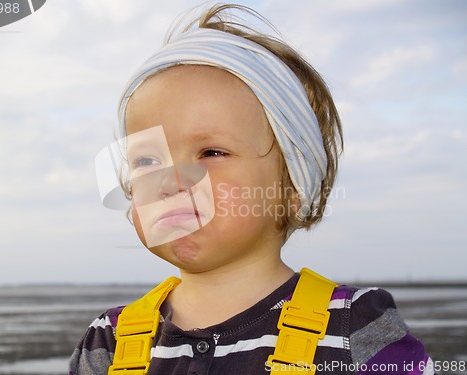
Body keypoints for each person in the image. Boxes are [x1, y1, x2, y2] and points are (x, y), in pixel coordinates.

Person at [70, 4, 434, 375]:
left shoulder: (352, 328)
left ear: (292, 190)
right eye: (146, 161)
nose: (169, 181)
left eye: (211, 152)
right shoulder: (109, 341)